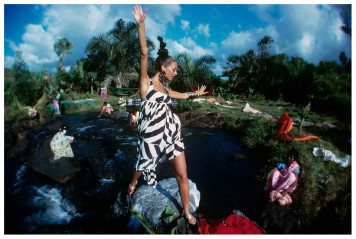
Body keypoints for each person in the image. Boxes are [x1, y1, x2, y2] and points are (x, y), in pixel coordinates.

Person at [128, 5, 208, 226]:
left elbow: (181, 96)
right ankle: (133, 183)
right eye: (174, 68)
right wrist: (141, 25)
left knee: (182, 175)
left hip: (171, 133)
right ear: (163, 67)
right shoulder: (147, 84)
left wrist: (195, 95)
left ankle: (186, 211)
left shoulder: (165, 90)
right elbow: (144, 53)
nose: (176, 71)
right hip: (151, 134)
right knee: (143, 162)